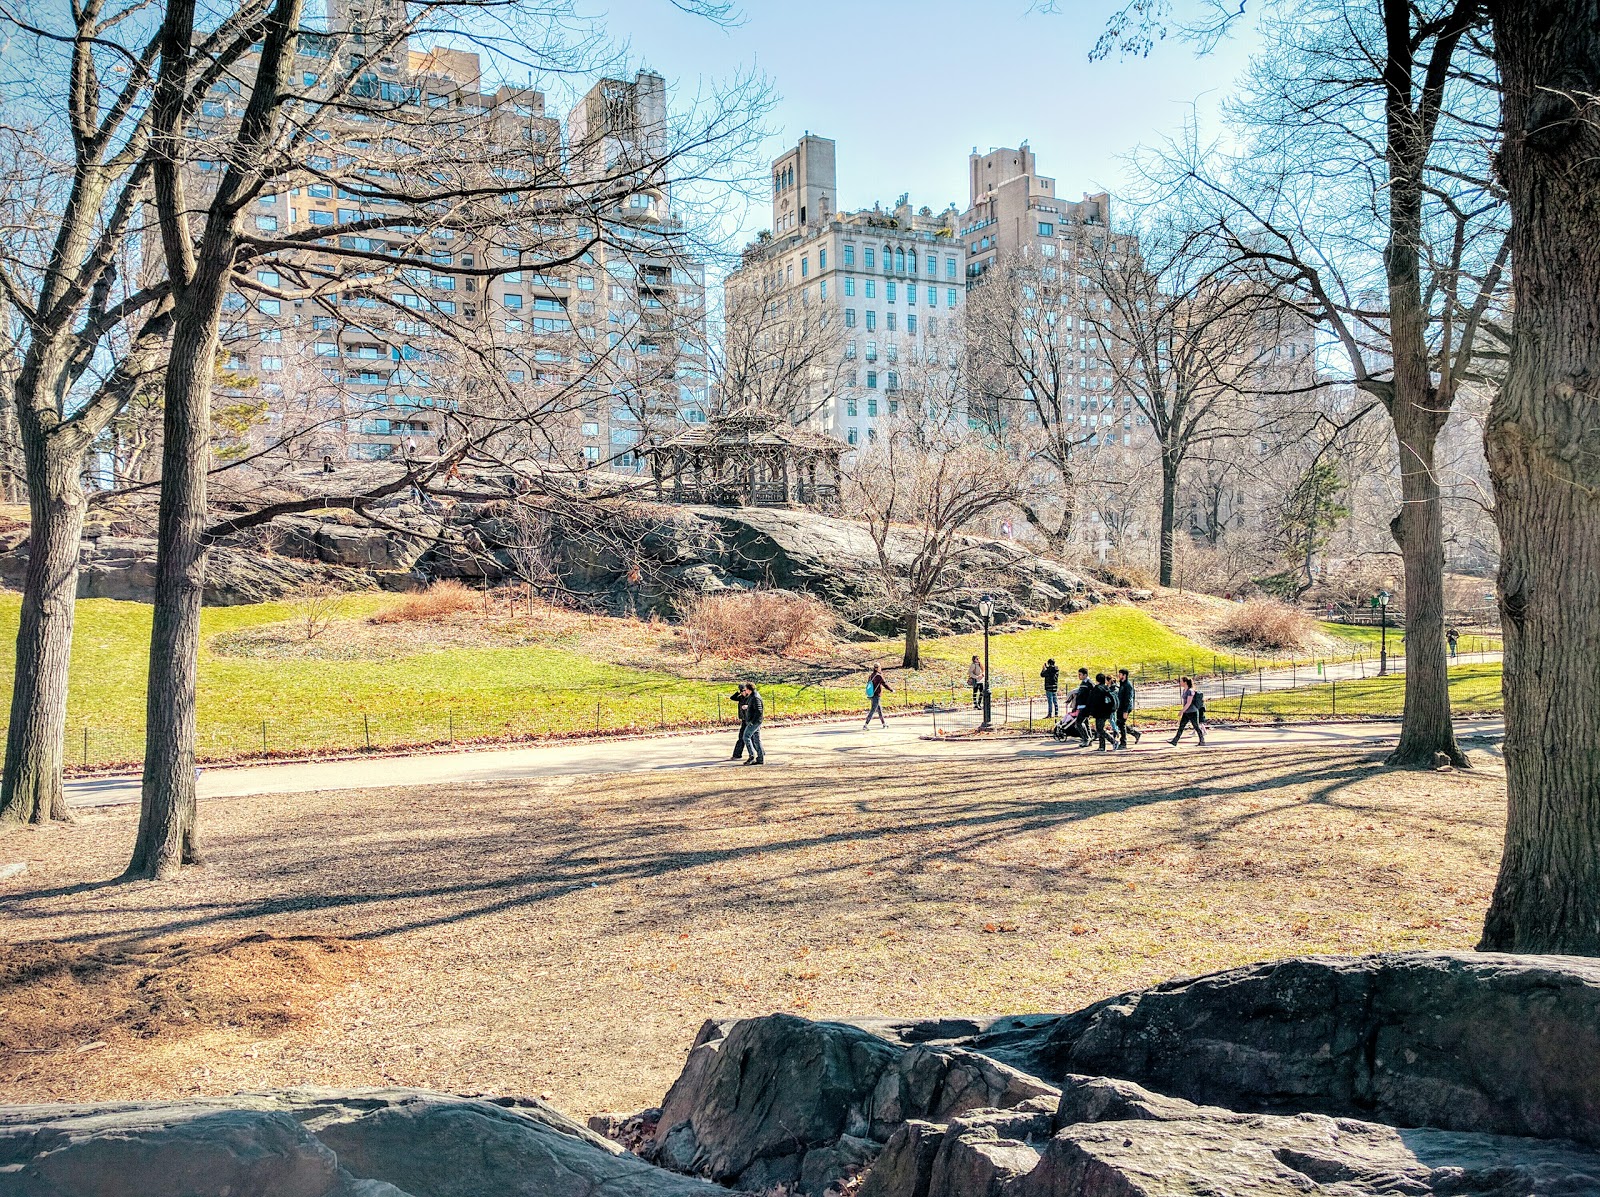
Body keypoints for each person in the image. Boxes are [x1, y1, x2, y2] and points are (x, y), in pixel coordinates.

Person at [1171, 676, 1206, 746]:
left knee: (1196, 726)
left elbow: (1188, 703)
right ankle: (1175, 741)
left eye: (1181, 681)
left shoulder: (1190, 691)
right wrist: (1184, 711)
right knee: (1181, 726)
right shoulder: (1185, 690)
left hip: (1192, 712)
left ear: (1185, 682)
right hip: (1187, 712)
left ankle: (1202, 740)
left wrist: (1182, 711)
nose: (1180, 683)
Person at [1090, 672, 1118, 751]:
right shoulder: (1106, 688)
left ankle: (1113, 741)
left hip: (1100, 712)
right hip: (1107, 711)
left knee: (1100, 729)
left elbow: (1093, 701)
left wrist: (1091, 712)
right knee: (1100, 728)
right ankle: (1102, 746)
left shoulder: (1097, 689)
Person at [1116, 668, 1142, 748]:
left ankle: (1123, 742)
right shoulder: (1122, 684)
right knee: (1119, 723)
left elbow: (1128, 699)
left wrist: (1126, 711)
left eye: (1120, 674)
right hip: (1121, 707)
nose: (1118, 675)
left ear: (1124, 675)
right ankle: (1135, 733)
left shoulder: (1128, 685)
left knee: (1121, 723)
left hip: (1125, 708)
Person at [742, 682, 765, 765]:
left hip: (754, 722)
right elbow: (755, 708)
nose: (745, 691)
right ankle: (760, 758)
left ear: (748, 689)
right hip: (755, 721)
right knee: (756, 739)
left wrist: (752, 722)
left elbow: (759, 711)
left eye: (745, 689)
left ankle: (752, 756)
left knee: (746, 737)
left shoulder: (755, 697)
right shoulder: (753, 696)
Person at [729, 683, 751, 761]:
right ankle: (737, 754)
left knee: (753, 738)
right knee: (741, 737)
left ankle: (760, 753)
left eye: (744, 690)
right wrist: (738, 692)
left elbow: (756, 706)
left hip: (750, 720)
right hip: (744, 720)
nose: (743, 692)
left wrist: (748, 707)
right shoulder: (741, 697)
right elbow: (732, 697)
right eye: (742, 691)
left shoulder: (751, 697)